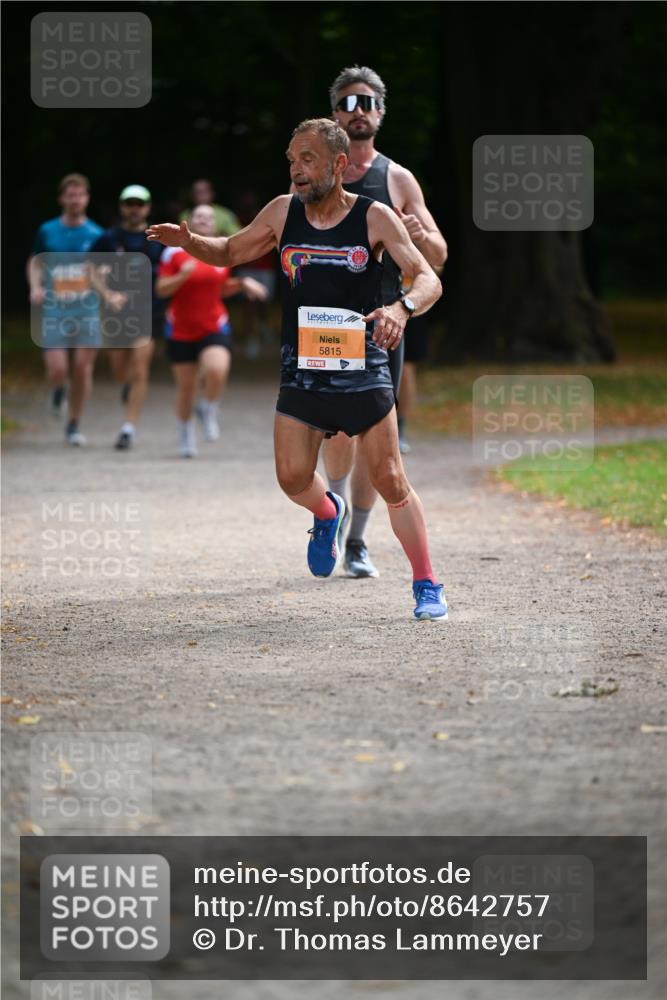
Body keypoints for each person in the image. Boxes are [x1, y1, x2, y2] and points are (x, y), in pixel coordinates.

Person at [148, 119, 447, 621]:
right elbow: (229, 251)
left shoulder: (375, 218)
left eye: (307, 160)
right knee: (291, 479)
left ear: (338, 165)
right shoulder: (282, 213)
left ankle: (426, 583)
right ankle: (328, 512)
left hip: (363, 367)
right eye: (291, 161)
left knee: (391, 478)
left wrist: (401, 309)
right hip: (303, 370)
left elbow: (428, 278)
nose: (296, 170)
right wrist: (189, 242)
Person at [324, 65, 448, 577]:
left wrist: (419, 233)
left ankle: (356, 540)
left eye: (368, 102)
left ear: (380, 112)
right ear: (336, 113)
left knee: (376, 435)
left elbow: (438, 257)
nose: (359, 111)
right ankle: (330, 511)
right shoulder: (317, 170)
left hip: (383, 321)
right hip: (325, 318)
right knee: (334, 432)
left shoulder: (397, 178)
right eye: (349, 103)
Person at [156, 204, 267, 457]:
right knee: (187, 387)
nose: (204, 220)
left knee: (217, 370)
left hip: (213, 324)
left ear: (215, 223)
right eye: (198, 216)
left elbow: (219, 288)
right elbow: (161, 289)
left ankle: (208, 407)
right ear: (188, 222)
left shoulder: (219, 250)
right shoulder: (173, 253)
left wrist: (241, 283)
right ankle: (185, 433)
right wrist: (182, 276)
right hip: (180, 328)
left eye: (208, 217)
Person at [27, 173, 104, 446]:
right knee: (59, 370)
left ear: (87, 199)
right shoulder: (47, 230)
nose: (75, 200)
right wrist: (35, 286)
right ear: (62, 199)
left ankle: (73, 424)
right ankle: (58, 390)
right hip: (54, 309)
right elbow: (35, 262)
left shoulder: (96, 234)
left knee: (83, 369)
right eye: (70, 195)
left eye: (80, 195)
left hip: (87, 309)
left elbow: (104, 270)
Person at [92, 185, 166, 450]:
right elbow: (91, 269)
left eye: (140, 204)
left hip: (148, 312)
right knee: (120, 369)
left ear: (147, 207)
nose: (135, 208)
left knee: (139, 368)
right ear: (122, 207)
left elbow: (172, 267)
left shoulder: (159, 237)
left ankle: (128, 428)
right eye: (129, 203)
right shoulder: (108, 238)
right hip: (117, 312)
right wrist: (108, 293)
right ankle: (126, 386)